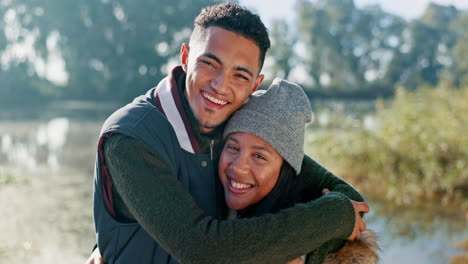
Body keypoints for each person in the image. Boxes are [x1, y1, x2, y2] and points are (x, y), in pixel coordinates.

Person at [91, 3, 369, 264]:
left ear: (255, 84)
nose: (220, 86)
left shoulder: (237, 121)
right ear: (186, 57)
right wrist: (330, 218)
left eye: (240, 75)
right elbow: (201, 249)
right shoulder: (130, 137)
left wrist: (304, 254)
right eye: (210, 63)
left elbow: (348, 197)